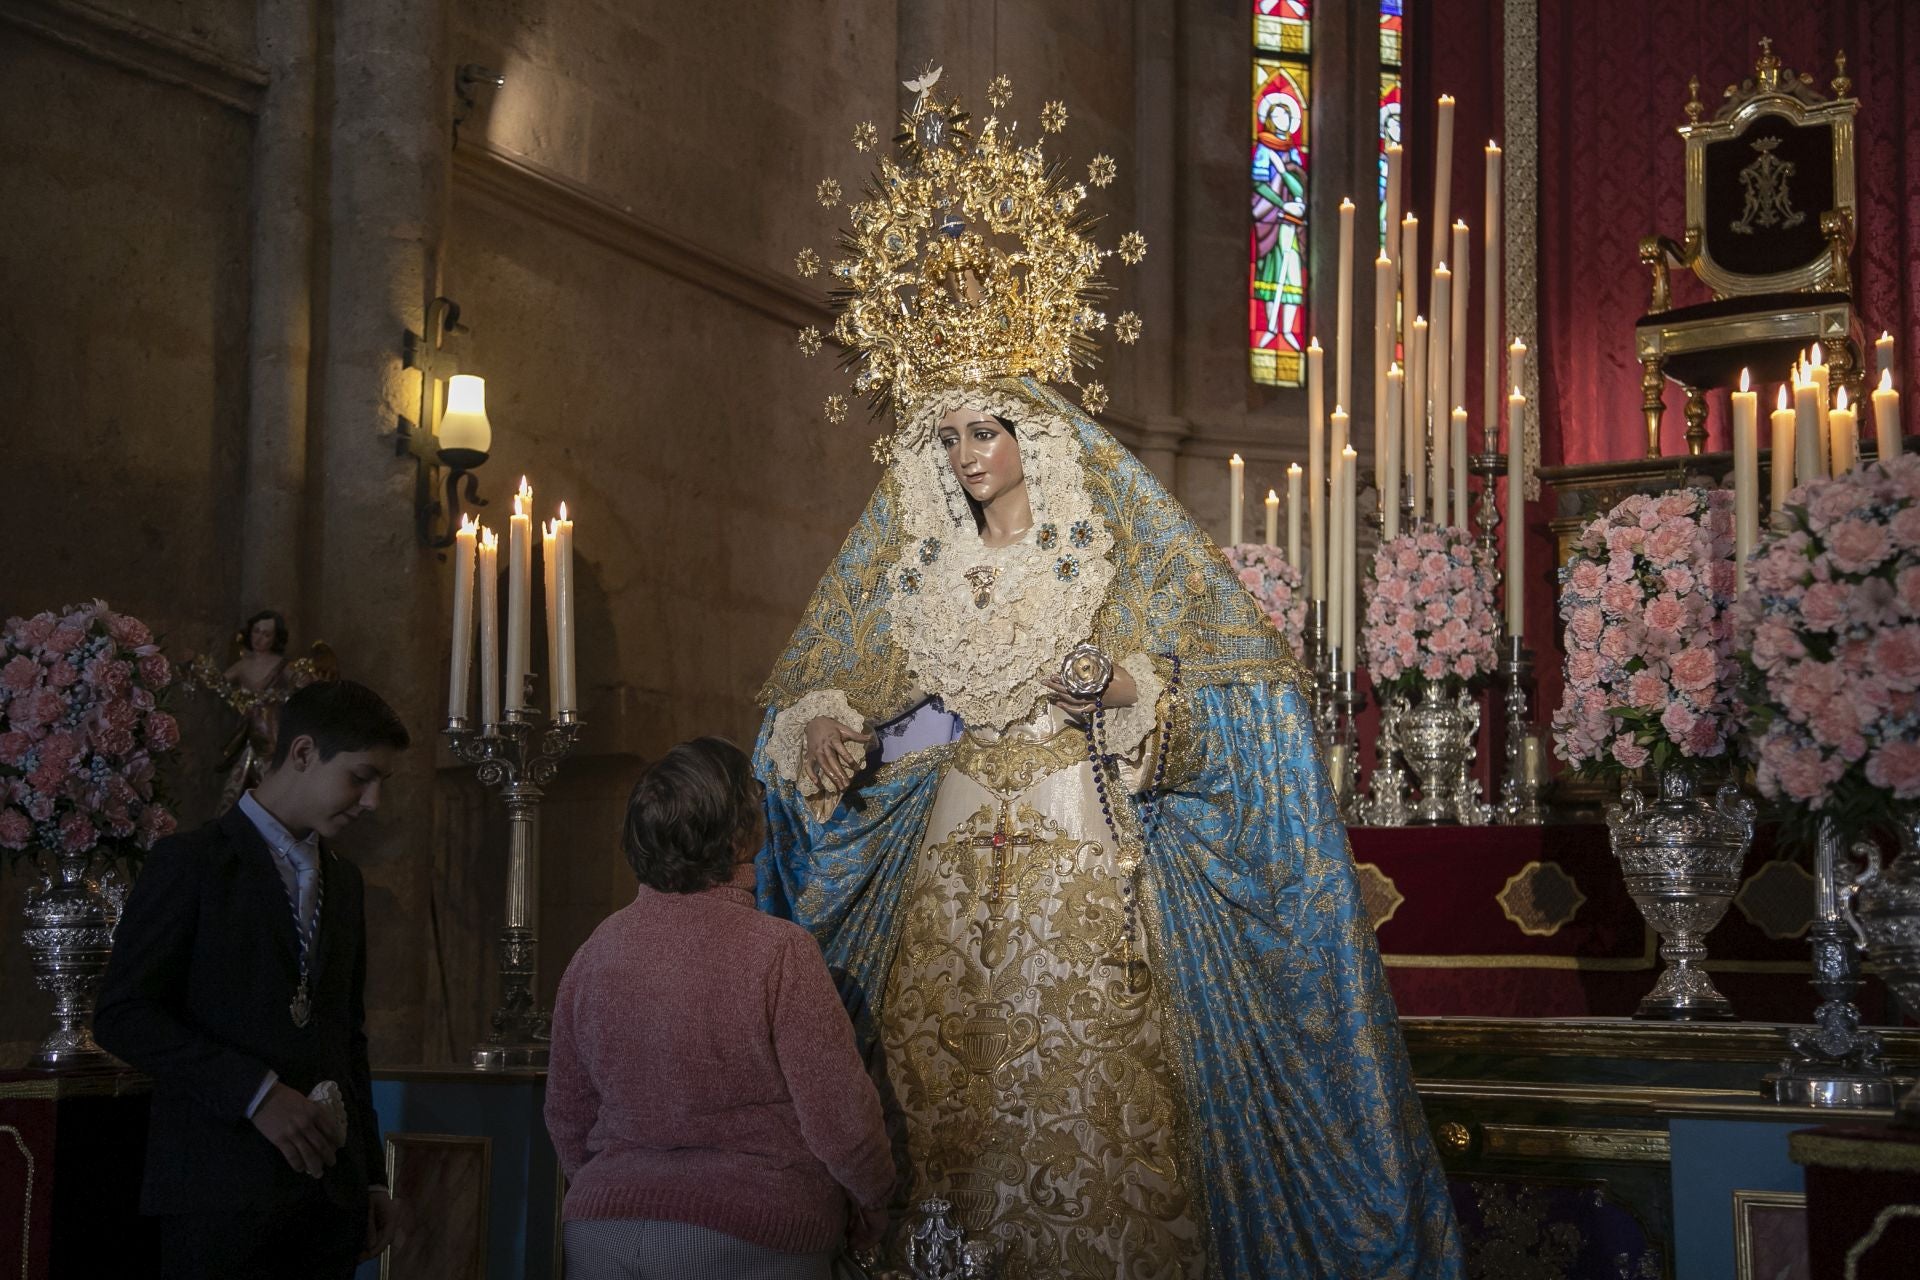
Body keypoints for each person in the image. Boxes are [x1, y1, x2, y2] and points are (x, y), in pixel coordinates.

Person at [755, 70, 1463, 1278]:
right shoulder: (918, 572)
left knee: (1086, 1068)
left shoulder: (1107, 553)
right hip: (956, 842)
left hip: (1082, 843)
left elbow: (1225, 696)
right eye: (952, 435)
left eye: (989, 429)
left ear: (1038, 434)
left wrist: (1126, 693)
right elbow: (839, 682)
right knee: (940, 1074)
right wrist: (816, 724)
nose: (971, 455)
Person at [545, 737, 893, 1280]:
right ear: (739, 837)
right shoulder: (779, 951)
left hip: (603, 1232)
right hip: (754, 1234)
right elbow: (839, 1116)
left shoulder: (595, 952)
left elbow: (566, 1114)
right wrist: (874, 1199)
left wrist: (618, 1190)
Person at [94, 679, 409, 1279]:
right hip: (219, 1193)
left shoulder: (344, 883)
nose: (372, 802)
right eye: (361, 776)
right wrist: (255, 1093)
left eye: (380, 785)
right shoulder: (191, 864)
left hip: (326, 1202)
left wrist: (369, 1176)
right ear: (303, 753)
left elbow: (348, 1037)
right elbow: (124, 1014)